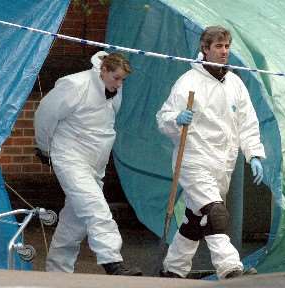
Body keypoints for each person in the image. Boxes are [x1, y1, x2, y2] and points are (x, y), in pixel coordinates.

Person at [156, 26, 266, 279]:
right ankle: (230, 269)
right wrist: (177, 120)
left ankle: (173, 269)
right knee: (215, 213)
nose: (224, 51)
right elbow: (163, 119)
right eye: (218, 46)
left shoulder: (235, 83)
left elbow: (247, 122)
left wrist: (254, 154)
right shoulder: (188, 82)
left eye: (227, 46)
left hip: (222, 164)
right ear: (205, 50)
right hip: (194, 161)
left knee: (196, 220)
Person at [34, 51, 142, 276]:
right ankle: (113, 262)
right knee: (96, 208)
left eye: (123, 79)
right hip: (70, 157)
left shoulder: (113, 90)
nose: (120, 84)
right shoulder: (75, 85)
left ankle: (57, 274)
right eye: (116, 78)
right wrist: (44, 147)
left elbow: (102, 127)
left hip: (95, 164)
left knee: (73, 225)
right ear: (103, 70)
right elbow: (45, 113)